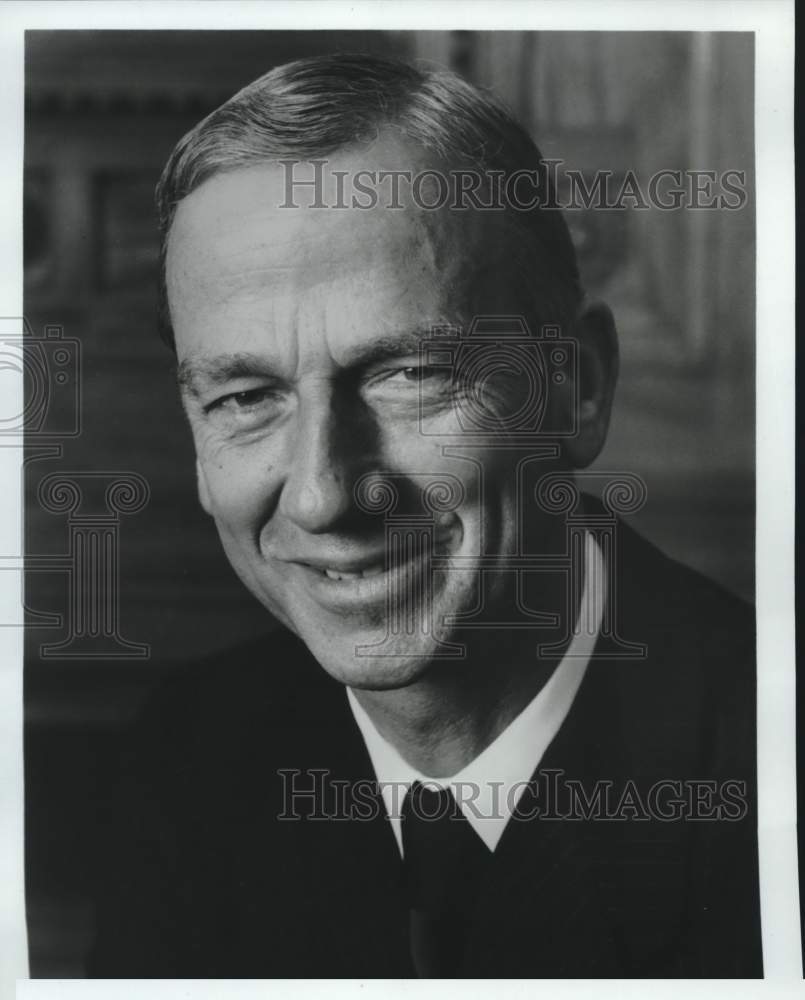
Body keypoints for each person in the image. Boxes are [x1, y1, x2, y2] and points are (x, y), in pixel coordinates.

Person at [87, 53, 761, 978]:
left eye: (409, 376)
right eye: (247, 397)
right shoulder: (191, 761)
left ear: (577, 390)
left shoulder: (766, 774)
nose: (322, 495)